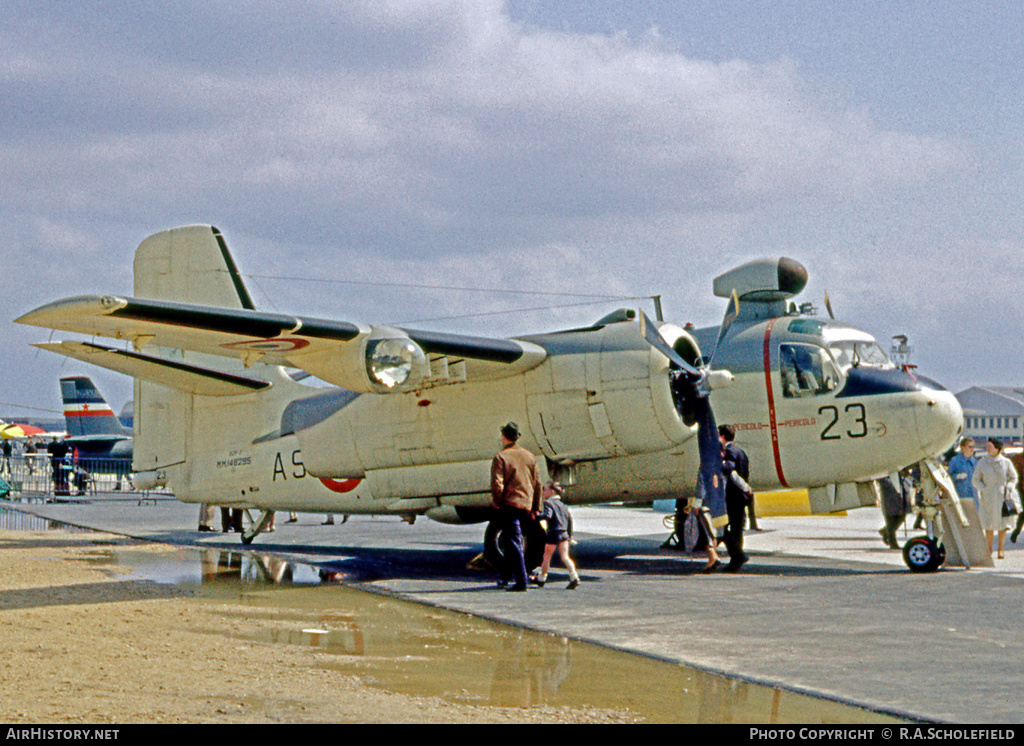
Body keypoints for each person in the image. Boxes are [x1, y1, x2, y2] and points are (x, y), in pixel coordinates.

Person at [490, 421, 543, 592]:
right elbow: (538, 484)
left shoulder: (501, 457)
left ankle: (521, 581)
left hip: (509, 505)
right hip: (526, 505)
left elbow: (497, 484)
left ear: (504, 437)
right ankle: (504, 577)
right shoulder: (530, 456)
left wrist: (497, 503)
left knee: (513, 542)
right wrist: (536, 508)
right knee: (508, 539)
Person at [972, 438, 1019, 559]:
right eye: (987, 446)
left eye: (990, 447)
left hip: (1003, 497)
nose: (987, 449)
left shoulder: (1006, 462)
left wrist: (1009, 486)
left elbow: (1014, 477)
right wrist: (983, 488)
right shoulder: (982, 462)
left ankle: (1001, 549)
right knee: (989, 524)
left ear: (997, 449)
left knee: (1002, 525)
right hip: (988, 497)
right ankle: (989, 549)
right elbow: (975, 479)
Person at [530, 482, 580, 589]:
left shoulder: (548, 503)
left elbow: (548, 515)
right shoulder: (563, 505)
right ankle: (574, 576)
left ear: (552, 492)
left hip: (553, 533)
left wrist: (536, 516)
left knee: (546, 557)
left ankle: (542, 578)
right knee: (565, 557)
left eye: (545, 490)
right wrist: (569, 535)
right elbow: (569, 520)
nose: (543, 492)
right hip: (564, 534)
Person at [719, 425, 752, 573]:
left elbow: (729, 469)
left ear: (723, 436)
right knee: (737, 529)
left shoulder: (729, 451)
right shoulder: (741, 452)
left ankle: (738, 555)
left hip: (732, 495)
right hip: (741, 496)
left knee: (722, 528)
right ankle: (735, 561)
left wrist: (719, 463)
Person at [878, 475, 909, 549]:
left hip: (900, 501)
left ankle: (885, 531)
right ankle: (893, 543)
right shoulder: (883, 476)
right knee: (890, 523)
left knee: (901, 518)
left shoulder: (900, 475)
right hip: (889, 501)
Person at [947, 438, 979, 508]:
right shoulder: (955, 461)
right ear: (963, 448)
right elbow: (947, 478)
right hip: (960, 498)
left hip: (974, 498)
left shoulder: (976, 463)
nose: (972, 449)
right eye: (970, 447)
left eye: (973, 447)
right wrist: (957, 476)